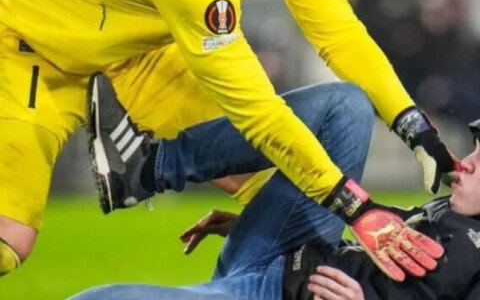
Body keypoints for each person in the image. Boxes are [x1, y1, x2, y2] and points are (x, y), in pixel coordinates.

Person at [0, 0, 456, 277]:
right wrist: (357, 209)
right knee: (12, 242)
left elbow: (339, 34)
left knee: (272, 188)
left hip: (136, 51)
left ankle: (145, 171)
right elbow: (257, 112)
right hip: (34, 48)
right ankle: (145, 166)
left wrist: (414, 126)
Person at [67, 121, 480, 300]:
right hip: (289, 248)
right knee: (345, 106)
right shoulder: (452, 212)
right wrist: (249, 224)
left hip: (277, 293)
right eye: (474, 151)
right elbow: (376, 240)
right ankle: (153, 165)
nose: (466, 163)